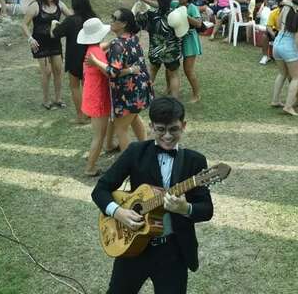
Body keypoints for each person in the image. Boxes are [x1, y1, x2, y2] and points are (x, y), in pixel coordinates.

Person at [91, 96, 214, 294]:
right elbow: (101, 190)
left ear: (183, 126)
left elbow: (207, 209)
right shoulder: (135, 152)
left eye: (173, 129)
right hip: (132, 248)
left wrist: (186, 208)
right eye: (160, 129)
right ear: (150, 127)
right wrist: (118, 213)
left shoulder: (195, 161)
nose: (167, 136)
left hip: (173, 252)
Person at [85, 7, 153, 151]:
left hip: (129, 92)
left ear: (123, 24)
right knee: (134, 118)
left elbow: (112, 72)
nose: (111, 20)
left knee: (121, 128)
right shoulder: (132, 38)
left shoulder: (118, 45)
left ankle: (129, 164)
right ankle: (146, 149)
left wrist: (95, 62)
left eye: (114, 18)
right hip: (141, 88)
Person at [21, 0, 73, 110]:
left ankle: (58, 98)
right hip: (40, 43)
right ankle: (46, 99)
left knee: (58, 70)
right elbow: (23, 24)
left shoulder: (59, 5)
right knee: (47, 72)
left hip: (54, 42)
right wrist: (30, 39)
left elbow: (72, 18)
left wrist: (64, 27)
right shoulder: (35, 6)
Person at [50, 0, 96, 124]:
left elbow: (54, 34)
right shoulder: (93, 18)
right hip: (91, 56)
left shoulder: (71, 20)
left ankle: (80, 115)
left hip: (74, 57)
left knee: (75, 86)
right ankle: (90, 113)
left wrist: (54, 23)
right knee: (88, 86)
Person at [76, 17, 112, 175]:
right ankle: (90, 168)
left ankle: (106, 148)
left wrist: (111, 44)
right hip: (98, 99)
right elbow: (109, 72)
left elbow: (101, 48)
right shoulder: (96, 54)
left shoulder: (92, 49)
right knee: (99, 136)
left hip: (91, 96)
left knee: (98, 134)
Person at [271, 0, 298, 116]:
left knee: (282, 73)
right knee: (296, 77)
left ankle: (275, 100)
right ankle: (288, 106)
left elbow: (278, 24)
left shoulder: (286, 8)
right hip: (289, 46)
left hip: (277, 43)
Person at [140, 0, 182, 98]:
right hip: (172, 52)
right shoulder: (175, 15)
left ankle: (145, 97)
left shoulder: (150, 14)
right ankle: (174, 100)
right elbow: (181, 32)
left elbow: (139, 22)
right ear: (171, 1)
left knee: (152, 72)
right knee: (173, 75)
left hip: (155, 51)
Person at [258, 0, 287, 65]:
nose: (283, 8)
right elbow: (268, 26)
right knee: (265, 35)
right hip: (276, 31)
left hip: (286, 33)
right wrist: (272, 34)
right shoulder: (273, 12)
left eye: (285, 6)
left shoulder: (291, 14)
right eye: (281, 6)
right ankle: (265, 56)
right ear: (278, 5)